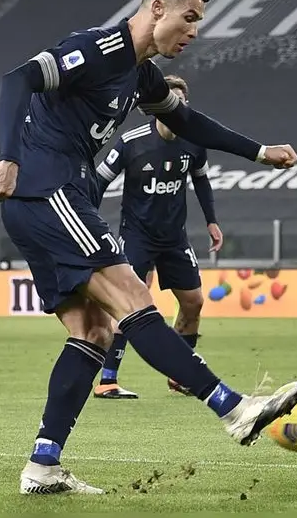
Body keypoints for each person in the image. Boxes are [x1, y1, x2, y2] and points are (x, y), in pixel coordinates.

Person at [0, 0, 297, 495]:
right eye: (190, 17)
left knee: (94, 331)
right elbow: (15, 79)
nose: (195, 30)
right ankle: (234, 409)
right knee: (134, 297)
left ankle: (42, 466)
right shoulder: (101, 47)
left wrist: (258, 151)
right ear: (158, 9)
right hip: (48, 188)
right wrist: (8, 159)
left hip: (51, 196)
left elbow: (187, 122)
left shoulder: (141, 74)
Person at [93, 74, 222, 399]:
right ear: (156, 107)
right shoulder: (131, 142)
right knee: (131, 305)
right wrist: (87, 220)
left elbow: (202, 181)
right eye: (172, 102)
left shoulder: (194, 142)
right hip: (137, 236)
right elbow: (97, 183)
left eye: (183, 103)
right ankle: (107, 380)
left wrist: (211, 221)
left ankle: (181, 376)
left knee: (193, 302)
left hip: (174, 239)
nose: (179, 109)